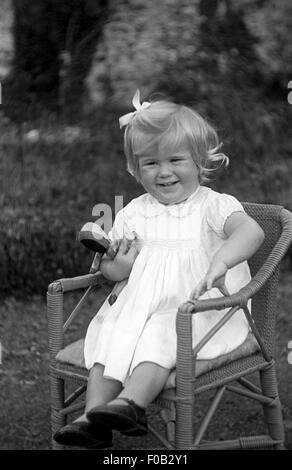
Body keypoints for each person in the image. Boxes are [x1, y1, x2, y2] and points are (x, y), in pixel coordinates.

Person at [54, 90, 265, 448]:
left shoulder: (212, 206)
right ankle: (94, 418)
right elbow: (112, 272)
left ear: (199, 160)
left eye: (176, 160)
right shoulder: (134, 212)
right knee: (111, 333)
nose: (164, 172)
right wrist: (117, 265)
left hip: (200, 311)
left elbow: (251, 231)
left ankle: (131, 403)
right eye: (150, 163)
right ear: (136, 169)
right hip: (139, 308)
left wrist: (222, 260)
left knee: (162, 331)